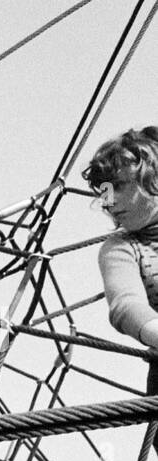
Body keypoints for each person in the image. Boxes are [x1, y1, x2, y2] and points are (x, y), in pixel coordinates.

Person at [86, 127, 158, 409]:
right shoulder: (122, 247)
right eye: (103, 192)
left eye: (117, 186)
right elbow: (126, 305)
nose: (108, 201)